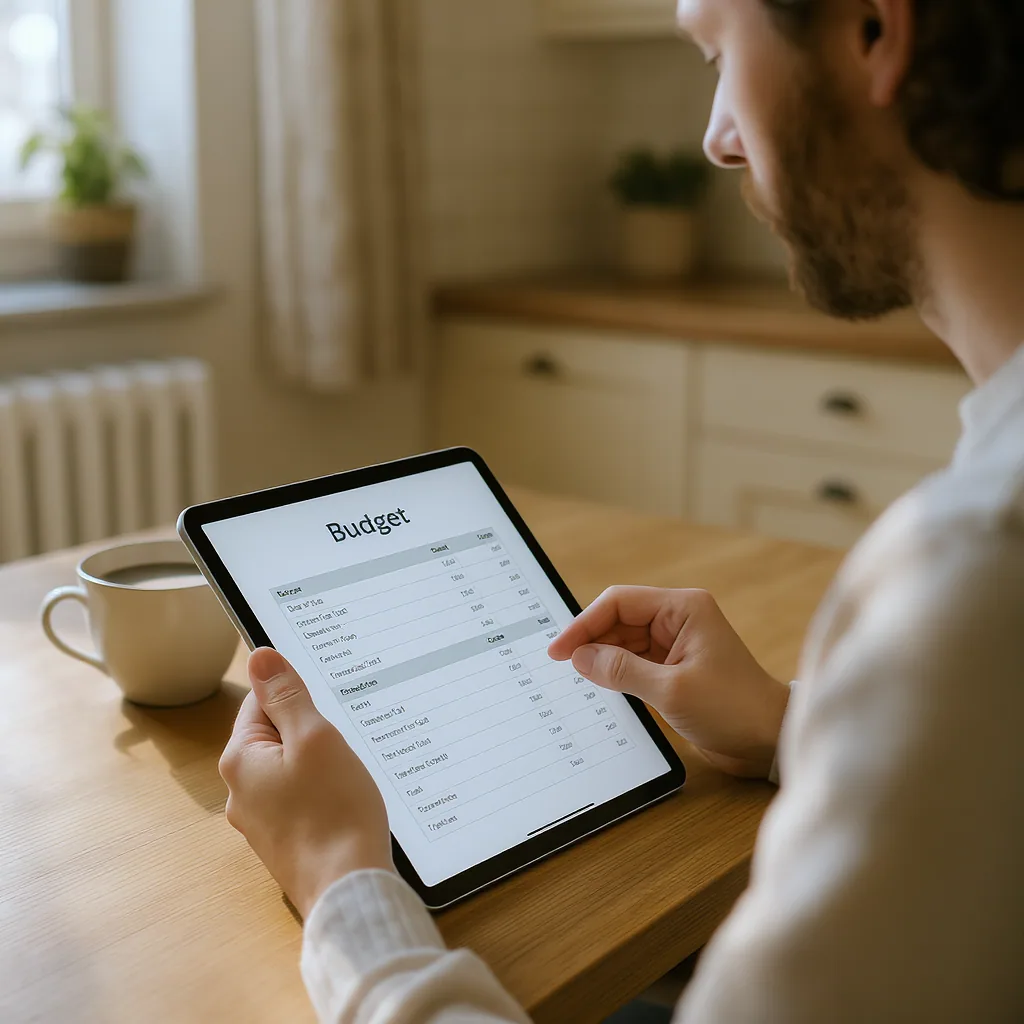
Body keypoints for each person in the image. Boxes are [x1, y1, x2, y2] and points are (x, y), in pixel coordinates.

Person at [218, 0, 1024, 1020]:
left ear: (874, 30)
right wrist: (791, 719)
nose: (717, 138)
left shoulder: (978, 563)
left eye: (719, 54)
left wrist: (341, 881)